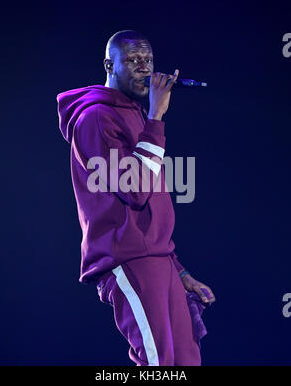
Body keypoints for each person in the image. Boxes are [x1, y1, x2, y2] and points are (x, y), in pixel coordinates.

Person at [57, 29, 216, 366]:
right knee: (158, 362)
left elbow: (151, 210)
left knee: (185, 361)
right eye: (133, 60)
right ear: (109, 65)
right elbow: (135, 189)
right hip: (128, 259)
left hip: (159, 259)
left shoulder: (135, 114)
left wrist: (181, 272)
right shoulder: (96, 118)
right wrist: (157, 117)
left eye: (149, 60)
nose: (145, 68)